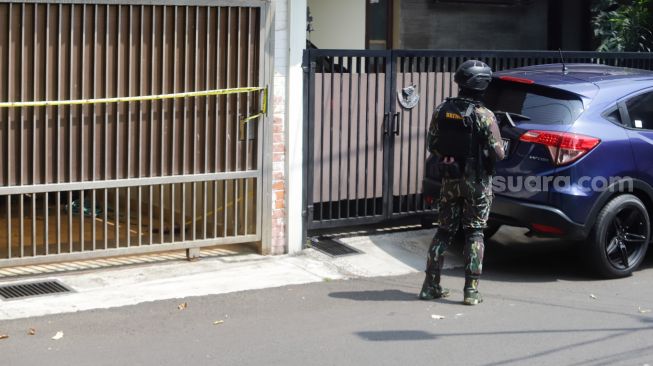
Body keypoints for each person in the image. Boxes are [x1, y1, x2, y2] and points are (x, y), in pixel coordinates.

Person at [419, 60, 505, 305]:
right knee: (475, 233)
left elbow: (432, 146)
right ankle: (471, 291)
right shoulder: (484, 115)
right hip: (477, 182)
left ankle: (430, 286)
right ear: (482, 85)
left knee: (443, 231)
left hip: (450, 179)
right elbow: (498, 153)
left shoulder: (442, 109)